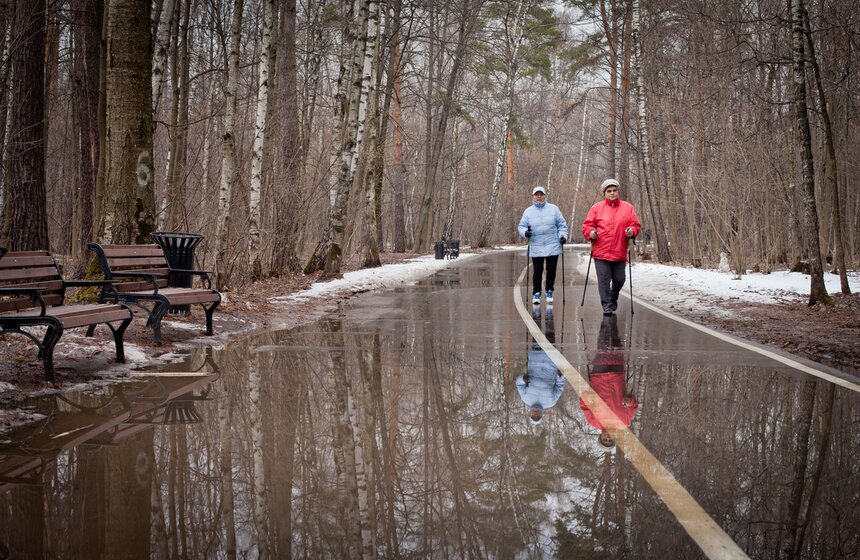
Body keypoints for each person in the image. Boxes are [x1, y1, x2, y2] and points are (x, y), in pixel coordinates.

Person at [581, 178, 641, 316]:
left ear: (618, 191)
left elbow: (635, 224)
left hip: (619, 251)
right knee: (603, 279)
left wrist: (632, 231)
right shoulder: (596, 208)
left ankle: (613, 298)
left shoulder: (628, 207)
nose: (612, 193)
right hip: (601, 252)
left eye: (614, 191)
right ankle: (606, 305)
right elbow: (587, 225)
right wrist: (591, 233)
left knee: (620, 279)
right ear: (604, 193)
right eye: (609, 191)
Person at [579, 315, 637, 449]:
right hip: (618, 377)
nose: (607, 438)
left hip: (599, 376)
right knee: (617, 348)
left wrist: (588, 397)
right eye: (610, 441)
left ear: (600, 437)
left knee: (604, 348)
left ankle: (607, 318)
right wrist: (629, 401)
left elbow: (583, 404)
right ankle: (613, 326)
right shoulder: (624, 423)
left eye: (604, 440)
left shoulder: (593, 421)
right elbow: (633, 406)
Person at [518, 186, 568, 305]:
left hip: (553, 244)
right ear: (533, 197)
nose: (539, 197)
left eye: (541, 194)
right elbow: (521, 226)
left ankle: (549, 290)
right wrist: (525, 232)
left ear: (545, 196)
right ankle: (536, 293)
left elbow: (562, 225)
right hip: (536, 245)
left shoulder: (554, 209)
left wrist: (563, 236)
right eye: (536, 195)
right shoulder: (528, 211)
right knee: (538, 270)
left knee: (551, 270)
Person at [516, 307, 565, 425]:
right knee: (550, 332)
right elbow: (559, 387)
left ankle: (536, 309)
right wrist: (560, 376)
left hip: (535, 358)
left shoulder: (525, 398)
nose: (536, 413)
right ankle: (549, 310)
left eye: (533, 415)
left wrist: (523, 379)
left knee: (535, 331)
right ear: (541, 415)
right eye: (538, 416)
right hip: (551, 359)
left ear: (530, 413)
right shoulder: (551, 402)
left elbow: (518, 383)